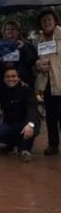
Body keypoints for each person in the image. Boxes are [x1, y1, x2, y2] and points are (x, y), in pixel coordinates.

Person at [0, 66, 39, 162]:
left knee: (30, 130)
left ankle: (25, 149)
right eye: (7, 77)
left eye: (14, 76)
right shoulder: (1, 90)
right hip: (10, 122)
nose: (10, 79)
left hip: (26, 121)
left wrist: (30, 124)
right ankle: (16, 143)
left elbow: (32, 109)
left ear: (19, 78)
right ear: (4, 79)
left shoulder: (27, 90)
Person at [34, 9, 61, 155]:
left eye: (49, 20)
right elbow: (35, 60)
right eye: (44, 21)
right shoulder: (39, 39)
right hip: (46, 83)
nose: (47, 23)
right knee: (50, 116)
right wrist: (39, 65)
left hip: (60, 80)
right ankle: (53, 145)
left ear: (55, 21)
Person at [0, 21, 37, 88]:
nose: (10, 31)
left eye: (13, 29)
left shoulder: (27, 45)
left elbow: (32, 61)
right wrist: (4, 64)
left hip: (24, 82)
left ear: (18, 31)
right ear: (4, 31)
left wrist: (23, 49)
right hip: (4, 83)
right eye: (7, 29)